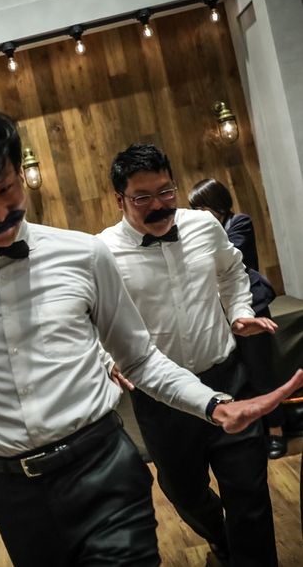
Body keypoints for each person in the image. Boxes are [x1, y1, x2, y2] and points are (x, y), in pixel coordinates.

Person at [0, 106, 303, 567]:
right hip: (14, 492)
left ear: (20, 175)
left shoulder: (85, 254)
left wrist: (214, 404)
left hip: (103, 469)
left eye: (5, 190)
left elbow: (139, 358)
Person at [98, 143, 282, 566]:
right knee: (185, 492)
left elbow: (232, 271)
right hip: (161, 400)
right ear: (120, 200)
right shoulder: (102, 252)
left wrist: (239, 312)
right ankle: (221, 537)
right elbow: (93, 318)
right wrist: (108, 360)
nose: (158, 205)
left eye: (166, 191)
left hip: (226, 377)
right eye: (143, 197)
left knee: (249, 492)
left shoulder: (203, 225)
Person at [189, 178, 287, 459]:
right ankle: (253, 431)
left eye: (202, 208)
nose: (198, 215)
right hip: (221, 314)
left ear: (218, 205)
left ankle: (277, 430)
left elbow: (234, 261)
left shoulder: (238, 222)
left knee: (261, 373)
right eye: (194, 209)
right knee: (238, 376)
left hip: (252, 308)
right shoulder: (203, 232)